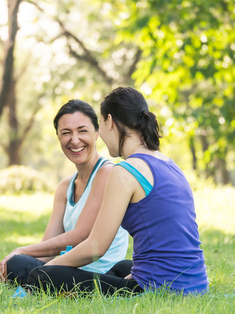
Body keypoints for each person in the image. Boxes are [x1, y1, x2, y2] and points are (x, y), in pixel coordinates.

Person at [24, 87, 208, 296]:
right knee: (122, 267)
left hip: (159, 288)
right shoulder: (168, 162)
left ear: (110, 121)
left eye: (100, 125)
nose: (100, 134)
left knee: (42, 277)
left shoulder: (124, 171)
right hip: (196, 283)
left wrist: (48, 268)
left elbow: (95, 247)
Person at [0, 100, 129, 287]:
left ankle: (21, 284)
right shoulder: (66, 186)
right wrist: (21, 261)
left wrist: (21, 251)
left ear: (97, 133)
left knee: (17, 263)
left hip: (97, 272)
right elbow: (48, 248)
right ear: (58, 137)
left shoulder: (107, 173)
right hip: (63, 268)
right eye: (66, 133)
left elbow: (81, 235)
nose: (74, 140)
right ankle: (24, 283)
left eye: (82, 130)